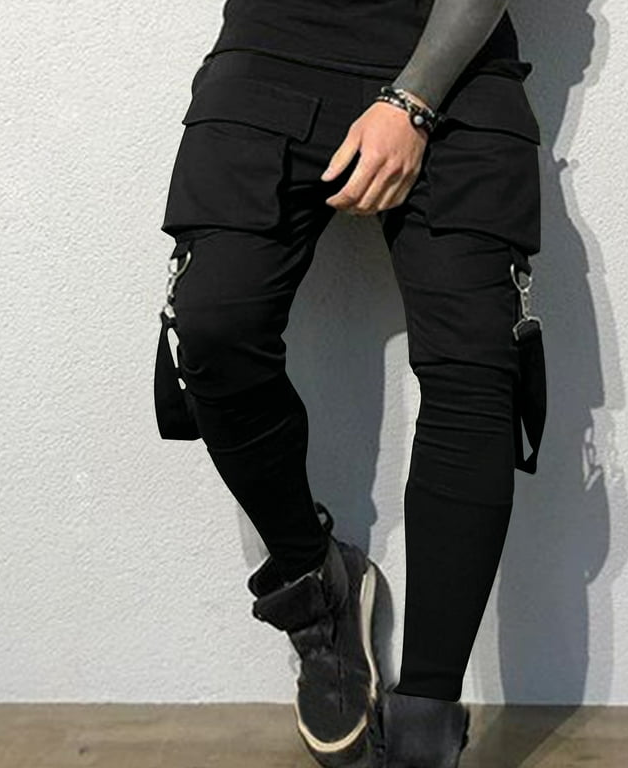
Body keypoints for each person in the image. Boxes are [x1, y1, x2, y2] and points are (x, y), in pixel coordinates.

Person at [153, 0, 547, 765]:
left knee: (477, 367)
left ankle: (427, 716)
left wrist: (413, 100)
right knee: (212, 327)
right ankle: (315, 587)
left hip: (458, 70)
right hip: (271, 51)